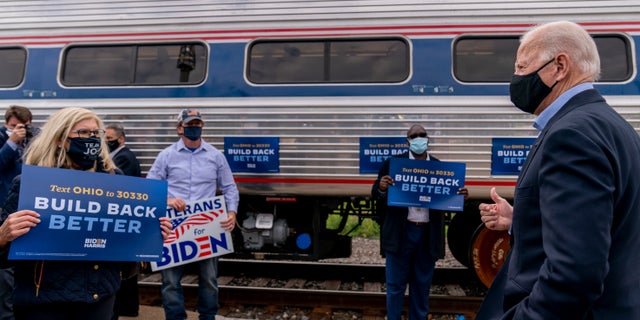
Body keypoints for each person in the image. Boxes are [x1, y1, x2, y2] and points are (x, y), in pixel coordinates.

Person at [476, 21, 640, 319]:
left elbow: (574, 275)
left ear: (559, 66)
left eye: (522, 67)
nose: (516, 78)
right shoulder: (614, 126)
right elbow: (606, 226)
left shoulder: (571, 135)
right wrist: (522, 220)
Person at [0, 107, 173, 320]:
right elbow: (4, 257)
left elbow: (126, 242)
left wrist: (152, 233)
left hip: (99, 297)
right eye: (83, 133)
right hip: (43, 301)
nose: (91, 139)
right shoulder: (31, 185)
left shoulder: (116, 181)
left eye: (96, 133)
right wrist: (3, 235)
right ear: (60, 139)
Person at [146, 108, 239, 320]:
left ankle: (207, 316)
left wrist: (231, 212)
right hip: (173, 226)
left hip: (206, 225)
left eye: (197, 124)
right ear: (180, 128)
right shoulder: (166, 155)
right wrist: (168, 200)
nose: (194, 128)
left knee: (209, 278)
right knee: (170, 280)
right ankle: (175, 317)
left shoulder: (216, 156)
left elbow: (229, 187)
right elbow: (151, 188)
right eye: (190, 125)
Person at [371, 124, 468, 320]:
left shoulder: (440, 168)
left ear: (428, 138)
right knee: (395, 285)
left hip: (427, 235)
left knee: (421, 286)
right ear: (407, 141)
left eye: (422, 135)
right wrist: (381, 188)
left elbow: (446, 199)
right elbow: (376, 194)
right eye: (413, 136)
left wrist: (460, 198)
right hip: (401, 233)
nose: (418, 139)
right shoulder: (393, 164)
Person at [0, 105, 38, 320]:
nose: (20, 130)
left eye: (24, 126)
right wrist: (11, 142)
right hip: (3, 207)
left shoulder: (34, 139)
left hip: (28, 208)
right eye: (15, 126)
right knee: (5, 271)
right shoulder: (4, 139)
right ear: (7, 124)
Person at [105, 123, 142, 319]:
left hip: (124, 218)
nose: (105, 142)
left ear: (121, 139)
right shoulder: (120, 155)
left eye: (109, 138)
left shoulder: (124, 157)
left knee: (125, 271)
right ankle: (128, 308)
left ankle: (128, 308)